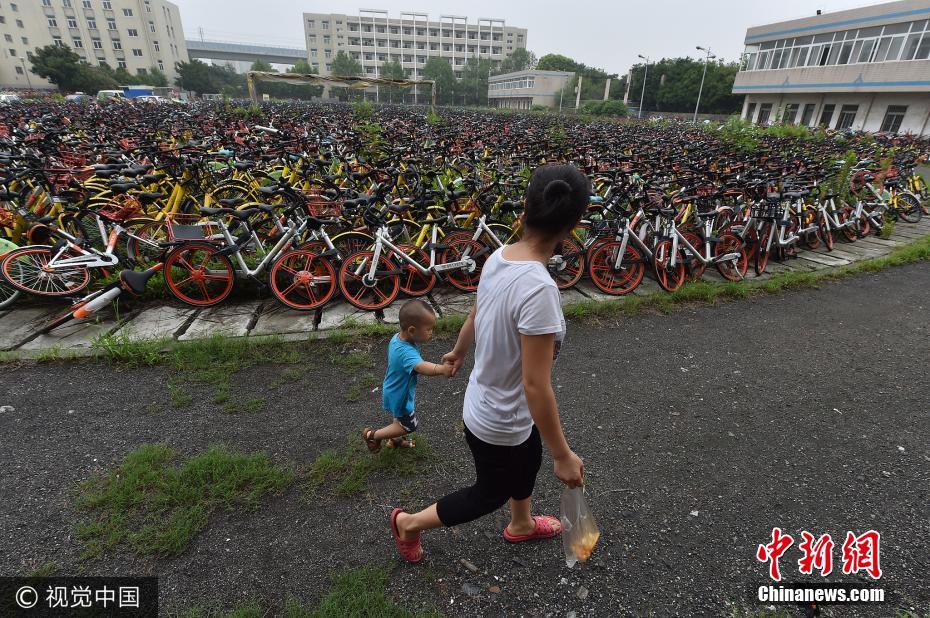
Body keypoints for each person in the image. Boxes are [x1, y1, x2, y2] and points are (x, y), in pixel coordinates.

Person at [389, 164, 589, 563]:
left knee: (529, 456)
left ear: (525, 210)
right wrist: (564, 454)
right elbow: (536, 384)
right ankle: (408, 524)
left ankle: (523, 524)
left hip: (495, 404)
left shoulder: (501, 256)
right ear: (574, 226)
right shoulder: (539, 291)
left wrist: (461, 351)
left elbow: (477, 312)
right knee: (489, 492)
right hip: (499, 417)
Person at [363, 299, 453, 452]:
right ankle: (373, 435)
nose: (431, 332)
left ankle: (395, 439)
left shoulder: (397, 338)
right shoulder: (406, 353)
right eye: (428, 329)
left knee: (399, 419)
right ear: (412, 330)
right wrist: (441, 369)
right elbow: (421, 366)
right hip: (400, 394)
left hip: (392, 387)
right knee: (410, 425)